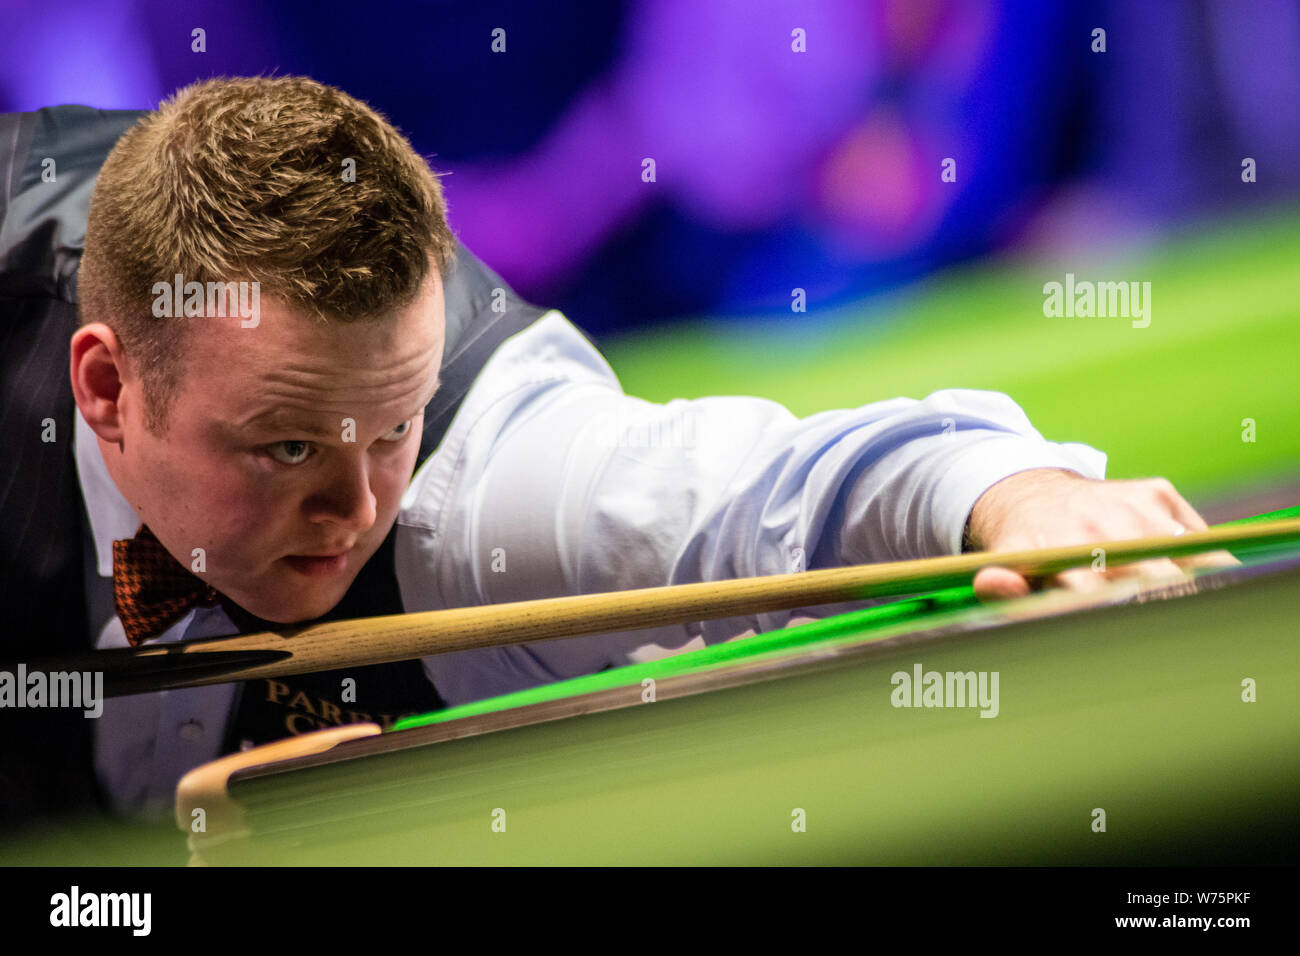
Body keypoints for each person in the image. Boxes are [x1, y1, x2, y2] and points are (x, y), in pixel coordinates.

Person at [0, 76, 1223, 821]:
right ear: (104, 389)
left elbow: (746, 492)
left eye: (394, 423)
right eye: (282, 448)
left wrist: (1018, 494)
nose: (357, 503)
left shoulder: (482, 493)